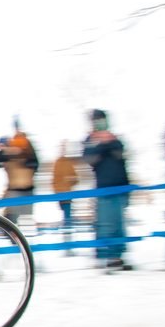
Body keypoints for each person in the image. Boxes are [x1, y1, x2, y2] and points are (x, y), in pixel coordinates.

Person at [83, 109, 132, 273]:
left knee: (119, 224)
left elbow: (120, 154)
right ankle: (106, 256)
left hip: (120, 184)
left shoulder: (115, 138)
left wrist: (109, 142)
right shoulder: (90, 140)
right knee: (106, 223)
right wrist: (103, 144)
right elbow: (91, 159)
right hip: (104, 187)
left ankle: (118, 256)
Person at [0, 121, 38, 228]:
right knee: (13, 219)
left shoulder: (27, 157)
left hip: (23, 189)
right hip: (16, 189)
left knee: (24, 220)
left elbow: (33, 162)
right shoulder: (11, 155)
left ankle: (23, 240)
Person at [51, 141, 81, 244]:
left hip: (67, 193)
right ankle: (67, 234)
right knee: (65, 213)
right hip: (61, 193)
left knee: (67, 214)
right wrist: (56, 190)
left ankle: (68, 235)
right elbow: (54, 180)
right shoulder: (57, 163)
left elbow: (76, 178)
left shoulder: (68, 163)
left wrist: (71, 180)